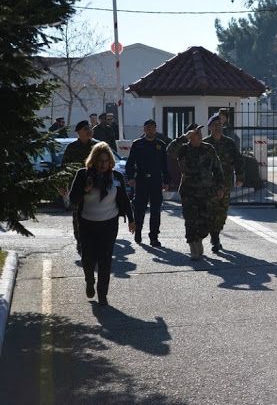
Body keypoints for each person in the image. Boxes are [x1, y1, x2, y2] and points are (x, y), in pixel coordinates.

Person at [69, 142, 135, 306]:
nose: (102, 164)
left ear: (110, 162)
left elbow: (124, 200)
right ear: (93, 161)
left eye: (106, 161)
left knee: (105, 259)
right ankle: (90, 281)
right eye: (99, 160)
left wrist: (131, 220)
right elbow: (72, 199)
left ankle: (102, 293)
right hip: (87, 224)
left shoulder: (116, 177)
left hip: (109, 224)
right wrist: (85, 189)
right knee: (88, 258)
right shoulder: (83, 175)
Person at [166, 123, 224, 260]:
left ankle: (199, 238)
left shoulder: (208, 149)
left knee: (206, 221)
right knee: (190, 219)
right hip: (189, 191)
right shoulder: (183, 149)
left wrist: (219, 187)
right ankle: (193, 245)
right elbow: (169, 151)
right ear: (190, 136)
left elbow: (217, 169)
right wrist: (183, 138)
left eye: (199, 132)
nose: (199, 134)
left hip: (206, 191)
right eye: (195, 133)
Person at [203, 114, 245, 253]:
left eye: (219, 124)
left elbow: (238, 160)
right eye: (214, 125)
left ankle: (216, 235)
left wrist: (240, 177)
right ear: (209, 127)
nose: (217, 127)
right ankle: (214, 239)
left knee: (221, 212)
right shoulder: (205, 144)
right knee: (211, 211)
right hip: (209, 185)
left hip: (225, 183)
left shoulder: (229, 143)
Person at [125, 119, 170, 247]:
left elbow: (164, 165)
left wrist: (166, 180)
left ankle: (154, 236)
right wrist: (131, 178)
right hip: (141, 180)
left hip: (156, 180)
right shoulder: (138, 144)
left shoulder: (160, 145)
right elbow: (130, 163)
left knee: (156, 210)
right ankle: (138, 231)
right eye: (149, 128)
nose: (151, 130)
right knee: (139, 209)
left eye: (153, 128)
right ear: (144, 130)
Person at [60, 120, 99, 253]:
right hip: (76, 185)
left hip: (94, 186)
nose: (88, 131)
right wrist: (62, 185)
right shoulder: (72, 147)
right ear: (78, 132)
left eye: (89, 128)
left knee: (94, 213)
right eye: (85, 129)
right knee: (77, 214)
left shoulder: (96, 146)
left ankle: (93, 240)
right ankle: (80, 240)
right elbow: (64, 167)